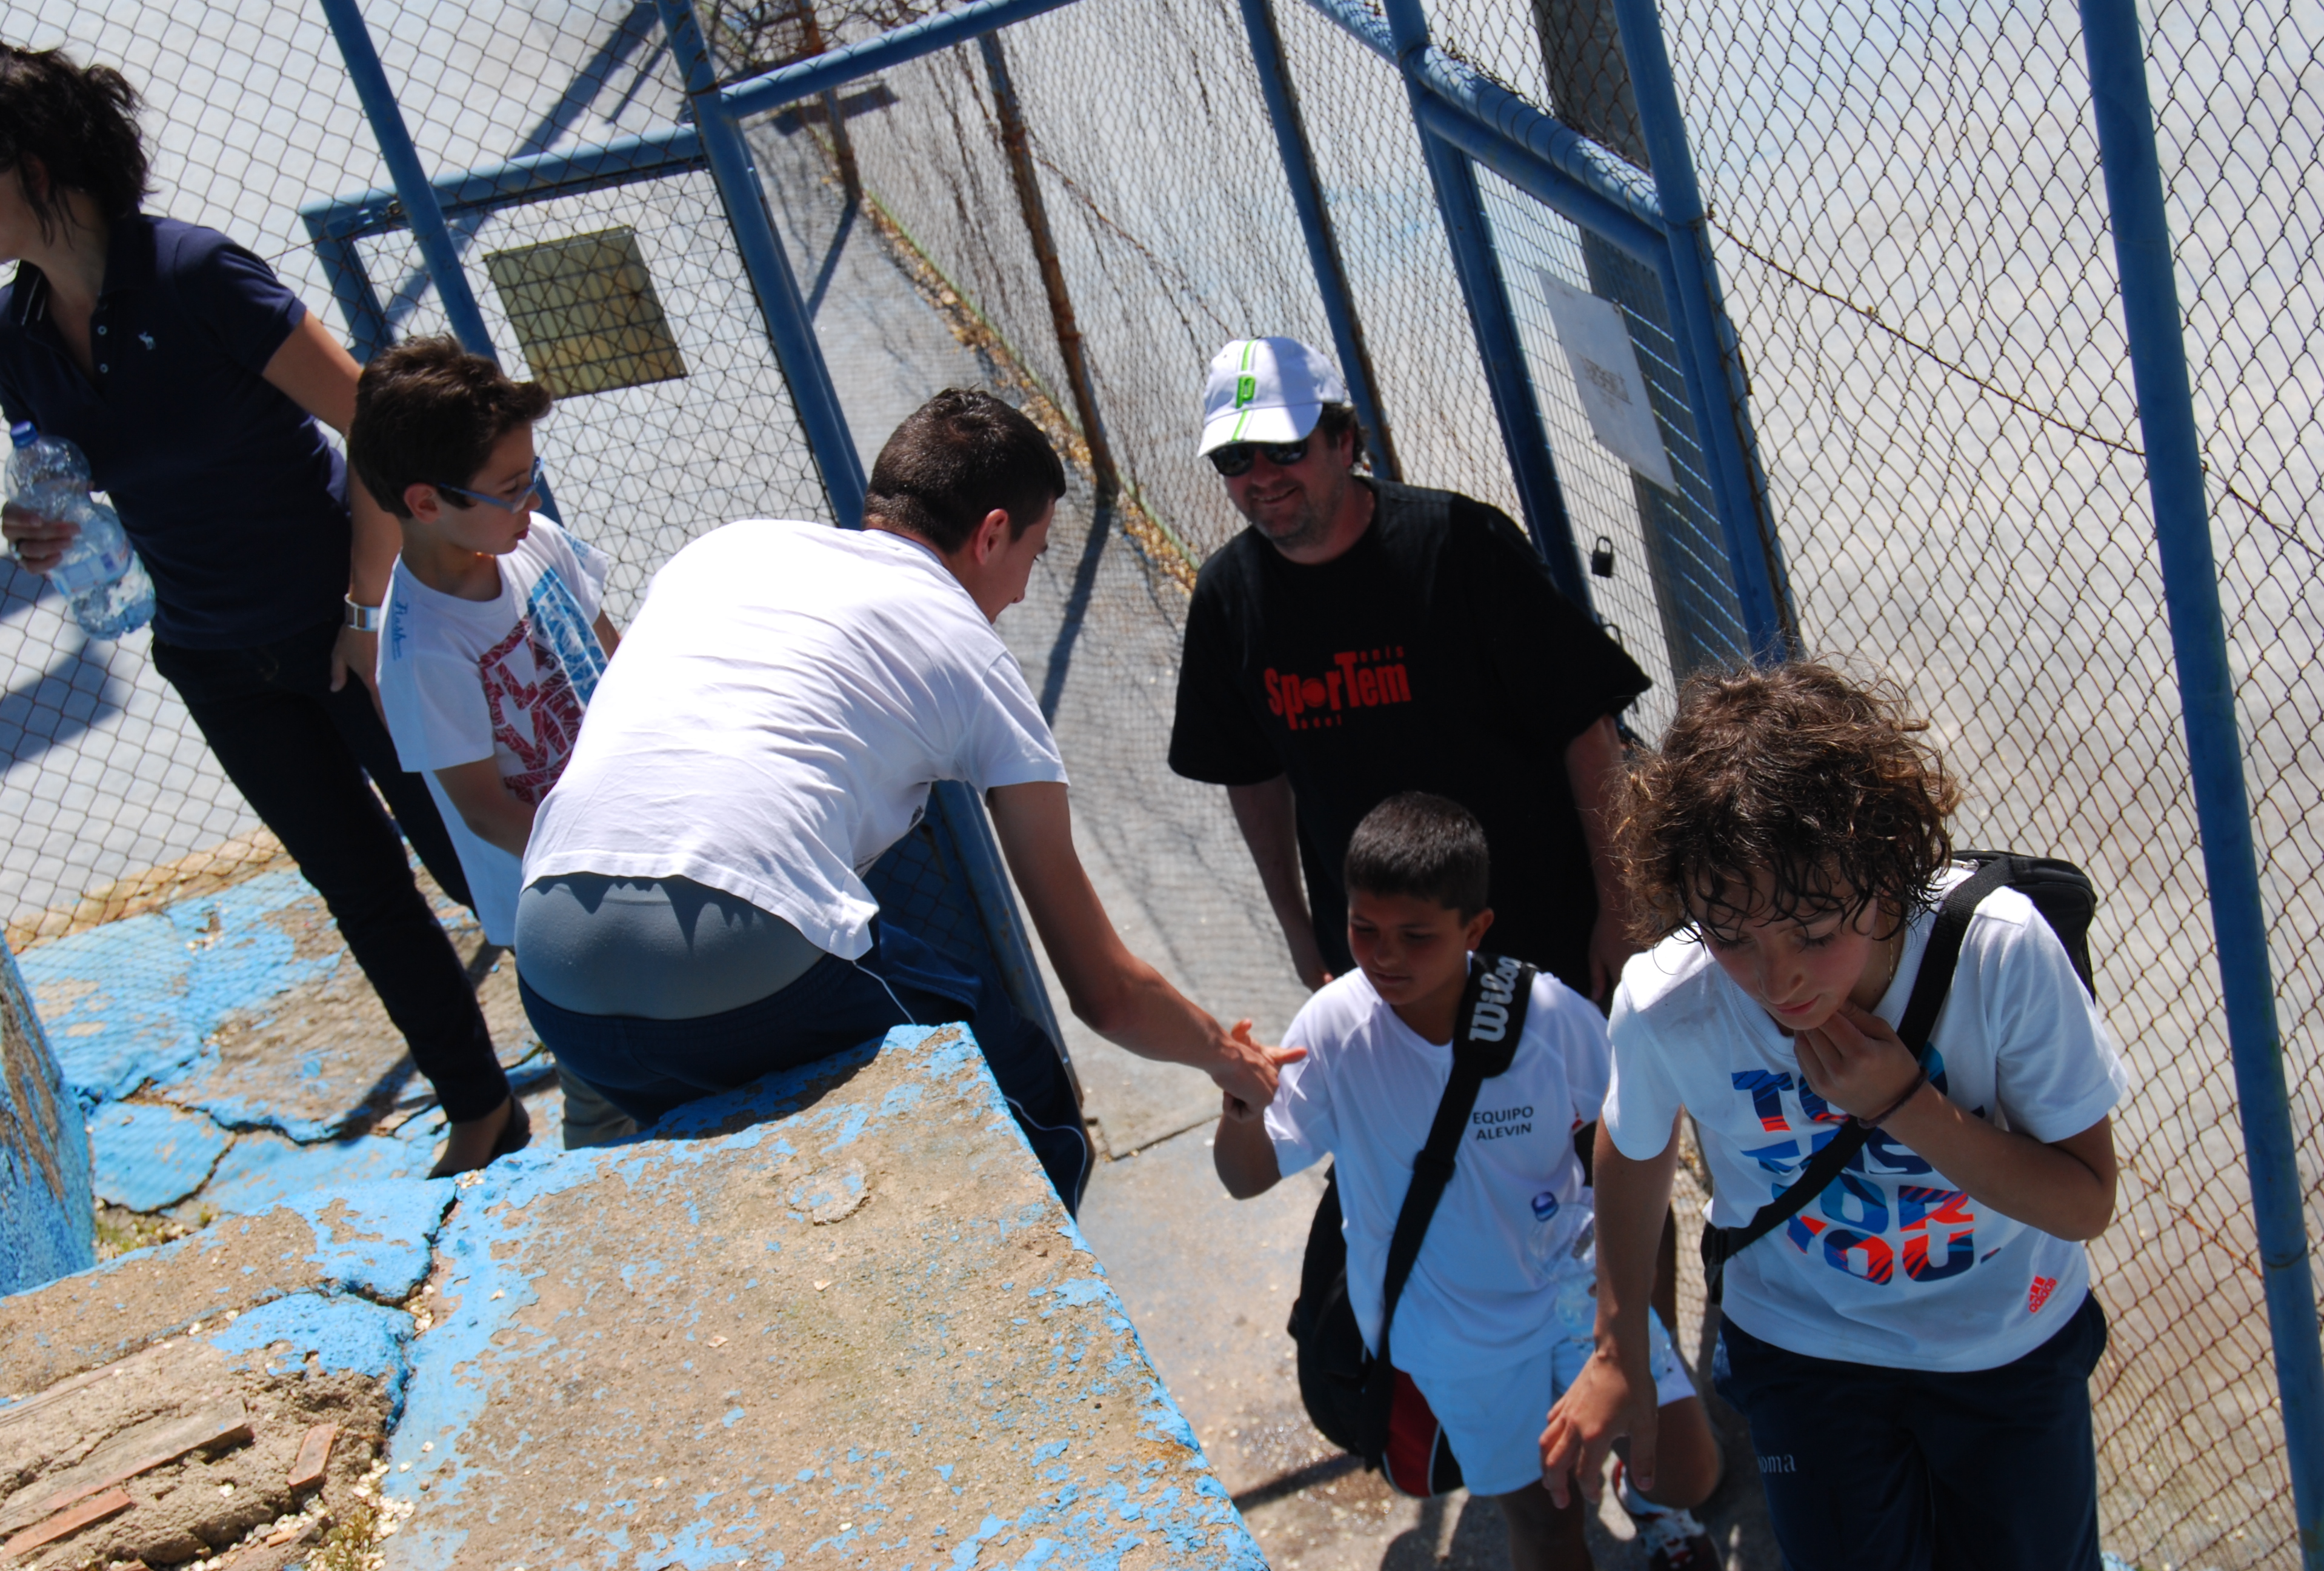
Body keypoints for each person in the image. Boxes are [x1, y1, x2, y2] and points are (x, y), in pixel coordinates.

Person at [512, 389, 1286, 1209]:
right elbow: (1106, 993)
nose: (1023, 592)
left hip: (554, 971)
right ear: (992, 533)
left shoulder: (727, 549)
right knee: (1031, 1106)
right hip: (739, 947)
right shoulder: (970, 652)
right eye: (1034, 555)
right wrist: (1225, 1057)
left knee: (732, 1170)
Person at [0, 47, 516, 1173]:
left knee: (472, 853)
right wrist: (41, 527)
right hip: (213, 653)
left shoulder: (193, 274)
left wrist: (365, 616)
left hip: (349, 629)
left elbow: (379, 428)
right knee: (360, 889)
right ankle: (480, 1108)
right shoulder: (17, 331)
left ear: (35, 167)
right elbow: (82, 475)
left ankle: (615, 1028)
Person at [1542, 662, 2126, 1571]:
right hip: (1804, 1347)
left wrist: (1903, 1105)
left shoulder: (2000, 953)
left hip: (2004, 1345)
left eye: (1815, 934)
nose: (1778, 980)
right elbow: (1634, 1139)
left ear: (1889, 866)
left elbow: (2084, 1202)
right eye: (1728, 935)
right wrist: (1618, 1345)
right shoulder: (1668, 1001)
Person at [1216, 793, 1720, 1571]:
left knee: (1688, 1472)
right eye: (1362, 929)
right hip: (1453, 1335)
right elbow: (1245, 1178)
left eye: (1415, 935)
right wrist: (1242, 1114)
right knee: (1547, 1526)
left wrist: (1621, 1308)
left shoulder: (1551, 1018)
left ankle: (1647, 1502)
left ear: (1475, 930)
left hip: (1571, 1289)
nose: (1382, 956)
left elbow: (1637, 1131)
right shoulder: (1333, 1029)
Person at [1168, 336, 1651, 1005]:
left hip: (1541, 941)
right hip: (1381, 965)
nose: (1263, 475)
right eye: (1234, 458)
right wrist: (1298, 930)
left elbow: (1585, 727)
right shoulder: (1227, 598)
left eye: (1286, 449)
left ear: (1343, 442)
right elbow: (1251, 777)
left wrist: (1621, 909)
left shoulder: (1461, 546)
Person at [351, 335, 636, 1153]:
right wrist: (608, 856)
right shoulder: (423, 649)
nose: (530, 498)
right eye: (510, 488)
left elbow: (618, 659)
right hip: (561, 902)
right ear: (427, 503)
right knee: (605, 1092)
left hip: (633, 838)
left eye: (530, 476)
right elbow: (482, 809)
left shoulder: (531, 541)